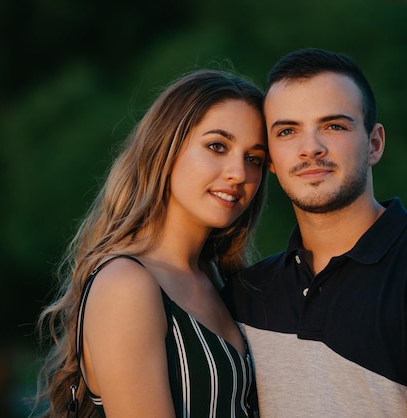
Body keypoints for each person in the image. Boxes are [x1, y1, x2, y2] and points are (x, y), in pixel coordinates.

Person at [223, 48, 407, 417]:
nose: (311, 149)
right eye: (288, 131)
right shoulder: (246, 291)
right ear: (272, 159)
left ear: (374, 144)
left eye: (334, 126)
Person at [34, 69, 268, 417]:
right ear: (167, 149)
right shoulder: (126, 284)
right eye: (217, 146)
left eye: (254, 158)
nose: (239, 173)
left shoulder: (221, 280)